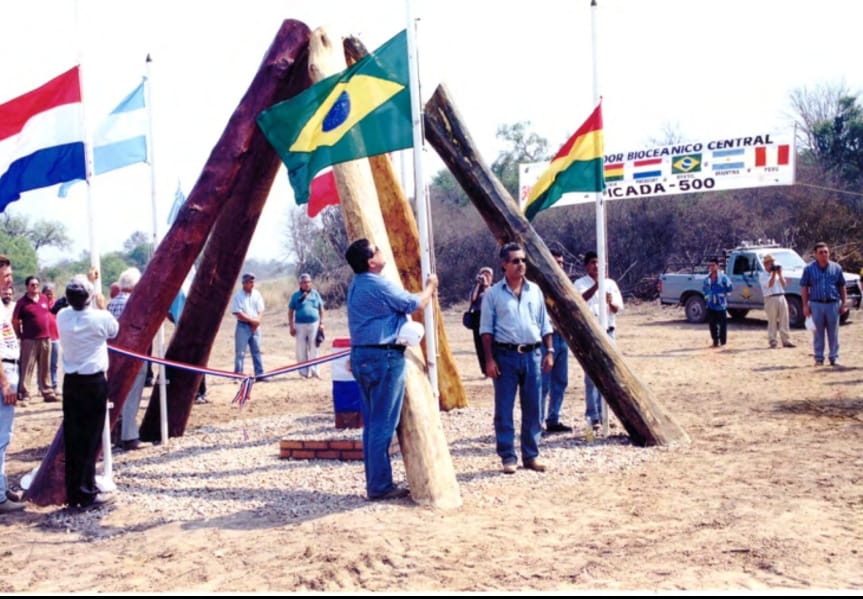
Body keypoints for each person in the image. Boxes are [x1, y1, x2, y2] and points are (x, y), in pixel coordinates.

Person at [344, 239, 438, 500]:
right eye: (377, 249)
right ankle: (380, 486)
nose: (381, 251)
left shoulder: (357, 286)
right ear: (371, 262)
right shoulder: (376, 283)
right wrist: (431, 286)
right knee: (383, 424)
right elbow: (414, 304)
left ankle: (377, 482)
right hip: (383, 356)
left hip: (363, 355)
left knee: (373, 424)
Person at [480, 242, 554, 474]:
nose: (520, 265)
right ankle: (507, 457)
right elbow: (486, 331)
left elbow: (544, 324)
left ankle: (531, 456)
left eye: (523, 260)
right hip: (505, 357)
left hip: (533, 355)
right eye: (515, 261)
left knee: (533, 408)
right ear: (504, 265)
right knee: (504, 409)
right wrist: (489, 360)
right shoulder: (493, 295)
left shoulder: (535, 291)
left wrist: (550, 351)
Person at [57, 275, 119, 509]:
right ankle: (86, 492)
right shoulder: (100, 317)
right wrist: (100, 303)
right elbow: (114, 330)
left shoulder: (62, 317)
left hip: (71, 383)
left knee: (74, 438)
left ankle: (75, 491)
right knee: (91, 438)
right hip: (93, 383)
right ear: (90, 297)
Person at [574, 251, 624, 436]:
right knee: (591, 377)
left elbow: (617, 308)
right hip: (590, 335)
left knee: (611, 374)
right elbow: (578, 301)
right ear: (587, 266)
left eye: (599, 263)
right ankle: (592, 418)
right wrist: (596, 287)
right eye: (593, 263)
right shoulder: (580, 284)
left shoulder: (611, 284)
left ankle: (607, 415)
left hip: (609, 332)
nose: (596, 266)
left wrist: (610, 303)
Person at [106, 267, 147, 451]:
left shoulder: (111, 303)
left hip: (115, 355)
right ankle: (130, 436)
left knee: (117, 395)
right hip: (132, 355)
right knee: (132, 396)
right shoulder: (134, 304)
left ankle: (117, 434)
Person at [0, 256, 25, 513]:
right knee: (1, 437)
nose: (10, 280)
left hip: (9, 367)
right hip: (3, 372)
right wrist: (5, 383)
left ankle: (1, 486)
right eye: (6, 275)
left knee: (3, 436)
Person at [11, 275, 58, 403]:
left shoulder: (43, 299)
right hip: (29, 340)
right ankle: (25, 393)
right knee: (27, 367)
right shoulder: (22, 302)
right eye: (32, 285)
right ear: (27, 287)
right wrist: (19, 334)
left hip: (45, 338)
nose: (35, 286)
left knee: (45, 368)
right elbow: (15, 320)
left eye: (37, 284)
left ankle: (47, 392)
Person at [800, 242, 847, 366]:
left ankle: (834, 357)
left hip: (833, 304)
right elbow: (804, 287)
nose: (824, 254)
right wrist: (805, 305)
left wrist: (844, 304)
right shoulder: (809, 269)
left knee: (834, 333)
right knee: (818, 332)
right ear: (815, 254)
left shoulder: (836, 268)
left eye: (826, 252)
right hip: (816, 304)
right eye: (821, 252)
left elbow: (842, 286)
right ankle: (819, 358)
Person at [541, 250, 572, 434]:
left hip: (563, 338)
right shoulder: (539, 287)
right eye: (555, 262)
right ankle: (537, 422)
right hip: (546, 340)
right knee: (542, 383)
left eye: (561, 262)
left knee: (560, 381)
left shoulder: (566, 286)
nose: (559, 266)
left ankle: (554, 419)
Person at [288, 273, 325, 379]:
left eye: (308, 282)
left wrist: (321, 323)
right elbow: (290, 311)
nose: (307, 284)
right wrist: (291, 326)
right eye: (304, 282)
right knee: (301, 349)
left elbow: (321, 309)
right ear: (300, 284)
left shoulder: (315, 294)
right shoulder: (295, 296)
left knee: (314, 347)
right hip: (300, 325)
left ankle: (315, 372)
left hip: (314, 324)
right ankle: (303, 373)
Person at [231, 272, 265, 377]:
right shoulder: (238, 296)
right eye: (250, 282)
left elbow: (261, 309)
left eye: (253, 282)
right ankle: (238, 374)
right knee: (240, 353)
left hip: (255, 326)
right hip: (243, 326)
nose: (252, 284)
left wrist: (257, 321)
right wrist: (252, 321)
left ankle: (259, 374)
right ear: (244, 283)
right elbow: (237, 312)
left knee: (257, 351)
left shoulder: (257, 294)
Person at [759, 254, 795, 349]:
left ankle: (786, 340)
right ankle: (773, 340)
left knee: (784, 319)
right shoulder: (762, 275)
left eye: (773, 263)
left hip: (781, 296)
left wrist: (780, 274)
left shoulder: (777, 274)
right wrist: (774, 274)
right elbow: (769, 285)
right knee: (772, 320)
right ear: (766, 264)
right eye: (770, 263)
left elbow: (784, 284)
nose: (772, 265)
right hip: (770, 298)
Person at [467, 266, 493, 375]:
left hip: (490, 316)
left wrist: (487, 285)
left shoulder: (494, 288)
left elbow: (490, 299)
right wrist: (478, 284)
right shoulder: (476, 288)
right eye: (483, 274)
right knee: (479, 344)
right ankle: (484, 370)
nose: (485, 277)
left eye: (488, 274)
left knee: (491, 344)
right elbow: (472, 299)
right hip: (478, 316)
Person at [702, 258, 732, 347]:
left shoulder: (723, 277)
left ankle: (723, 341)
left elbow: (730, 288)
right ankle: (715, 340)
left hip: (720, 304)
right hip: (710, 304)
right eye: (710, 265)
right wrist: (707, 296)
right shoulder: (707, 279)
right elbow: (704, 289)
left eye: (713, 265)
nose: (711, 267)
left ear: (717, 266)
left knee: (722, 324)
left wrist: (724, 293)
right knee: (712, 324)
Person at [42, 283, 60, 394]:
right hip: (43, 338)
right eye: (47, 293)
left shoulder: (57, 304)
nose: (49, 295)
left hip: (55, 338)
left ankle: (54, 385)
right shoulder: (40, 303)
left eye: (51, 292)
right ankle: (42, 386)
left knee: (54, 364)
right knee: (43, 364)